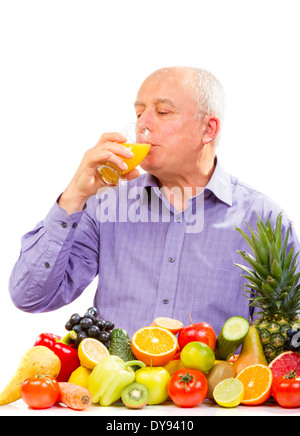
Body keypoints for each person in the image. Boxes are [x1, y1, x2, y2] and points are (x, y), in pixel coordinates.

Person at [9, 66, 300, 338]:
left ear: (208, 129)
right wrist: (74, 195)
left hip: (209, 393)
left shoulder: (263, 219)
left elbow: (278, 343)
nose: (142, 125)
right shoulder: (106, 204)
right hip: (113, 391)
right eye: (138, 114)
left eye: (162, 112)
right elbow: (31, 297)